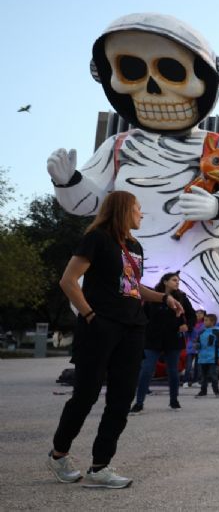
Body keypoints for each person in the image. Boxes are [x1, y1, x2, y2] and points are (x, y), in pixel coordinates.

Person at [47, 191, 184, 488]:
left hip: (133, 328)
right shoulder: (96, 238)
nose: (141, 214)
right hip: (100, 326)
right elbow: (68, 281)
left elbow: (133, 288)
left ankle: (100, 466)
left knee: (121, 400)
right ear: (123, 209)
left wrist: (165, 298)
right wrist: (90, 316)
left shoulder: (135, 246)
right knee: (86, 395)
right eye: (137, 209)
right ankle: (58, 454)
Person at [131, 271, 195, 413]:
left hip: (173, 338)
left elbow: (191, 316)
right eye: (174, 280)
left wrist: (187, 326)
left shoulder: (182, 297)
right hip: (153, 339)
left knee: (173, 371)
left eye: (178, 281)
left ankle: (174, 401)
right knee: (146, 370)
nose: (177, 282)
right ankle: (139, 402)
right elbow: (143, 315)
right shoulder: (154, 296)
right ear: (165, 281)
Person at [185, 311, 219, 387]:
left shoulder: (205, 326)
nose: (199, 315)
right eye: (197, 313)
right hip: (191, 348)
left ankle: (196, 381)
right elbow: (186, 334)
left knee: (198, 366)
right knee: (188, 366)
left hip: (200, 350)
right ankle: (186, 381)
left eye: (201, 313)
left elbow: (217, 325)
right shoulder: (191, 324)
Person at [195, 313, 219, 398]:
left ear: (212, 322)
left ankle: (216, 391)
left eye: (206, 320)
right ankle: (203, 391)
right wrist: (197, 345)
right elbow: (198, 343)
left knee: (213, 375)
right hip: (202, 358)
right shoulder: (202, 332)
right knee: (202, 376)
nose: (204, 322)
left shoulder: (218, 332)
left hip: (213, 358)